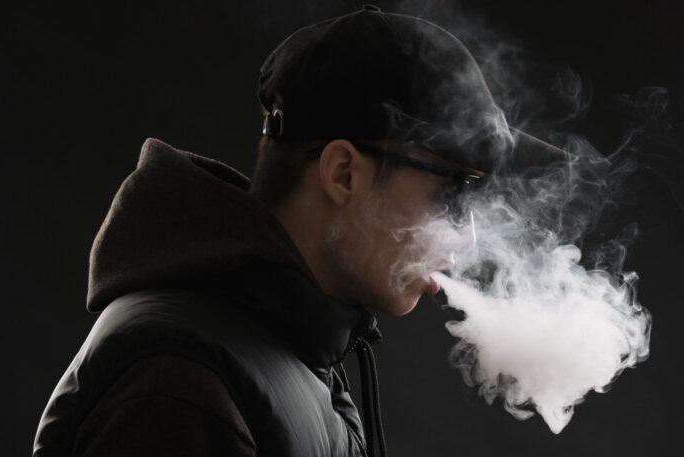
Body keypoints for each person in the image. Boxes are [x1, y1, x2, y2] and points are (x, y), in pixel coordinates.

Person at [33, 5, 565, 457]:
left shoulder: (289, 350)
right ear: (344, 174)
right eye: (454, 193)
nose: (467, 239)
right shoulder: (179, 385)